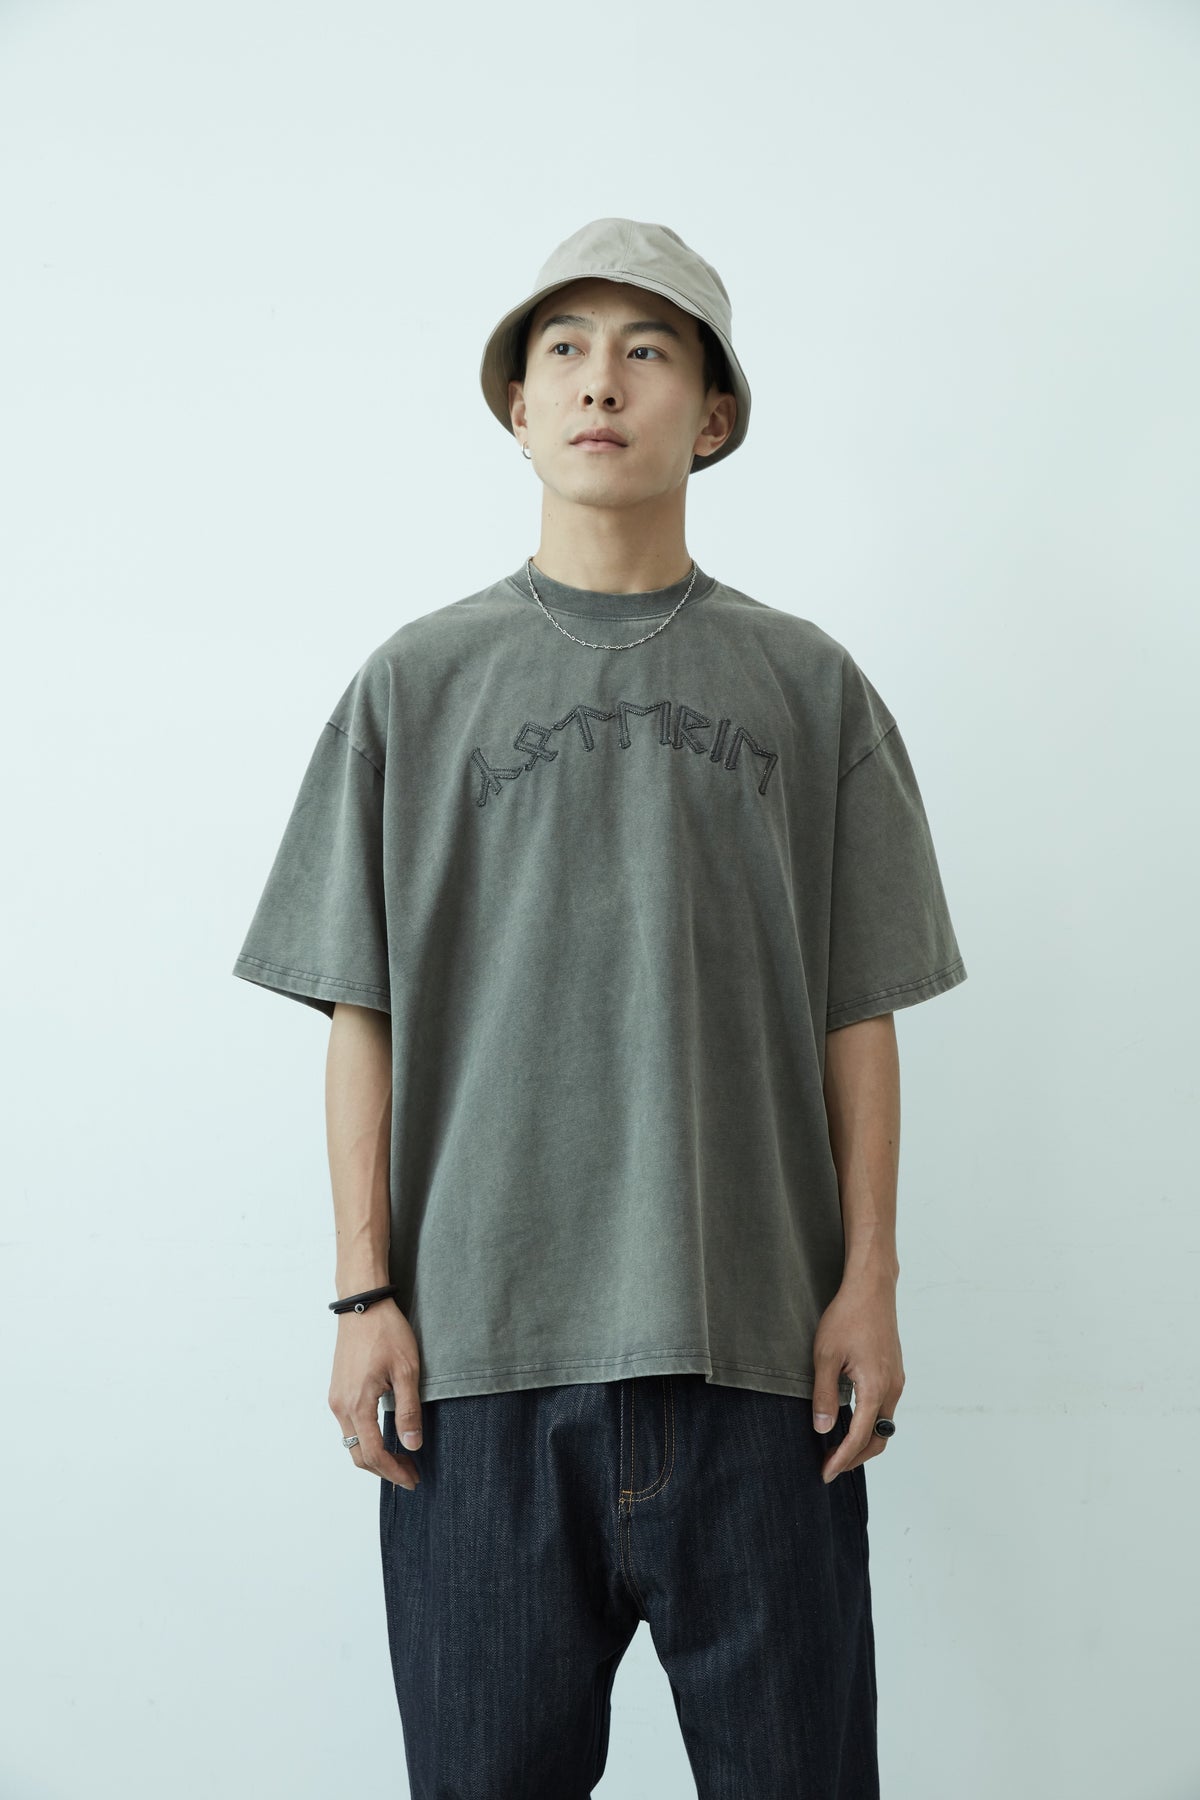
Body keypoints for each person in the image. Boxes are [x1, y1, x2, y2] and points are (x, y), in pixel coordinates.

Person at [231, 216, 968, 1798]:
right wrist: (363, 1299)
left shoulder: (810, 687)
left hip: (759, 1362)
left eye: (648, 348)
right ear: (516, 408)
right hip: (477, 1374)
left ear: (714, 414)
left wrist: (870, 1285)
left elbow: (858, 1011)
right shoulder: (414, 686)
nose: (600, 380)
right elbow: (359, 1010)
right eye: (561, 348)